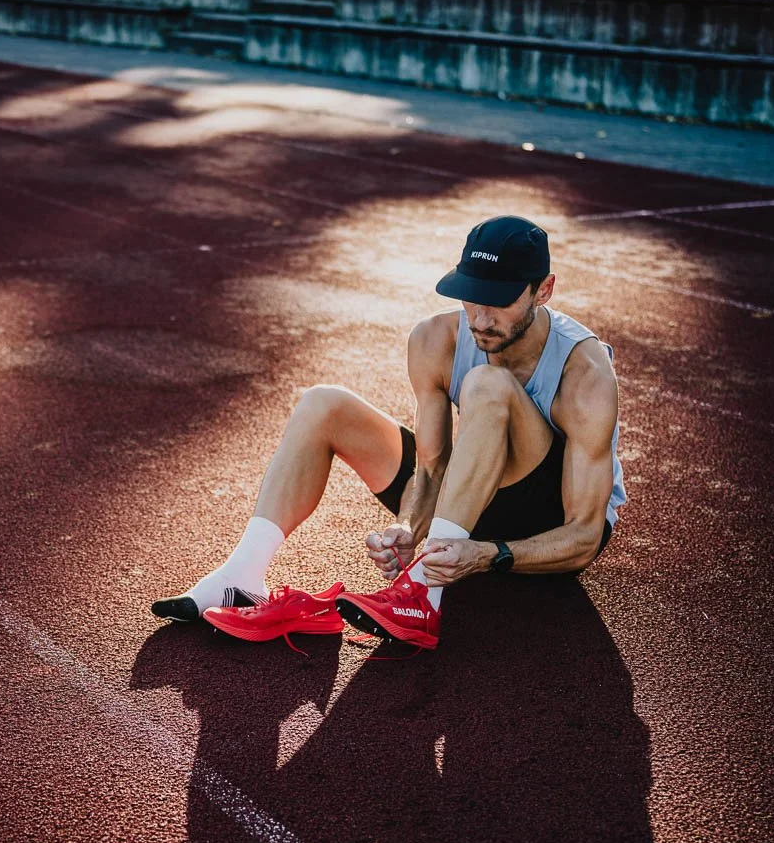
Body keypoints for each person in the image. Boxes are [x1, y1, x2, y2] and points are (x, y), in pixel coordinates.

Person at [150, 216, 627, 649]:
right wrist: (407, 527)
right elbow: (432, 466)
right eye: (471, 298)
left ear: (543, 290)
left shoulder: (583, 372)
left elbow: (584, 536)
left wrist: (487, 555)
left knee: (488, 384)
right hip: (469, 502)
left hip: (546, 523)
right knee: (324, 402)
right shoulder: (435, 339)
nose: (480, 319)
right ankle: (242, 574)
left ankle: (424, 593)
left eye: (499, 302)